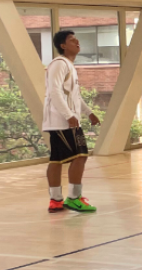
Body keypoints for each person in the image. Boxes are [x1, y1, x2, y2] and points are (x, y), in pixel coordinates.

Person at [43, 30, 101, 213]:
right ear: (63, 46)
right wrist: (69, 115)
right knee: (80, 156)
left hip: (67, 120)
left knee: (57, 159)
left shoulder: (69, 66)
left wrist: (89, 112)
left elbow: (74, 96)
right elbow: (55, 91)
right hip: (61, 121)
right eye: (71, 39)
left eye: (77, 39)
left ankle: (56, 201)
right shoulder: (59, 64)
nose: (77, 41)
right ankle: (73, 198)